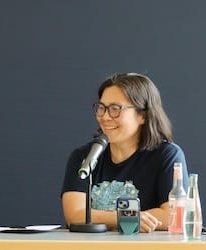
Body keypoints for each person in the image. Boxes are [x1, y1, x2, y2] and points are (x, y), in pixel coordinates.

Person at [61, 73, 188, 233]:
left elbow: (174, 215)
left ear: (143, 115)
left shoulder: (167, 156)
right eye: (101, 108)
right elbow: (75, 215)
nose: (105, 117)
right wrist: (127, 217)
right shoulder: (84, 156)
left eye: (115, 109)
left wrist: (105, 217)